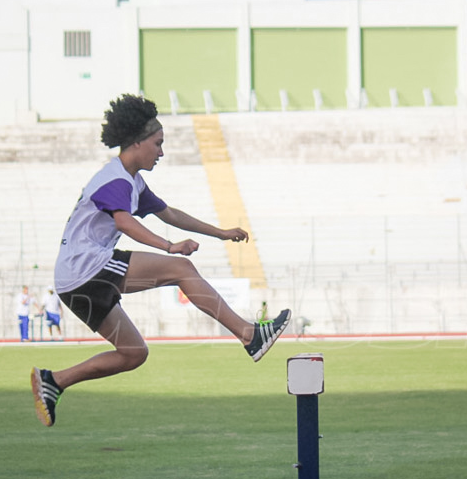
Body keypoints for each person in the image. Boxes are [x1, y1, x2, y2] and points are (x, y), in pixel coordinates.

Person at [31, 94, 290, 427]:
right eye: (158, 143)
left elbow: (168, 213)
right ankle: (249, 335)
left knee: (133, 353)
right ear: (137, 142)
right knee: (181, 269)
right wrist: (169, 247)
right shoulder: (115, 179)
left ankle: (53, 382)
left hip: (73, 281)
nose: (162, 152)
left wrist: (221, 233)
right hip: (86, 270)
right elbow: (124, 221)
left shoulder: (131, 181)